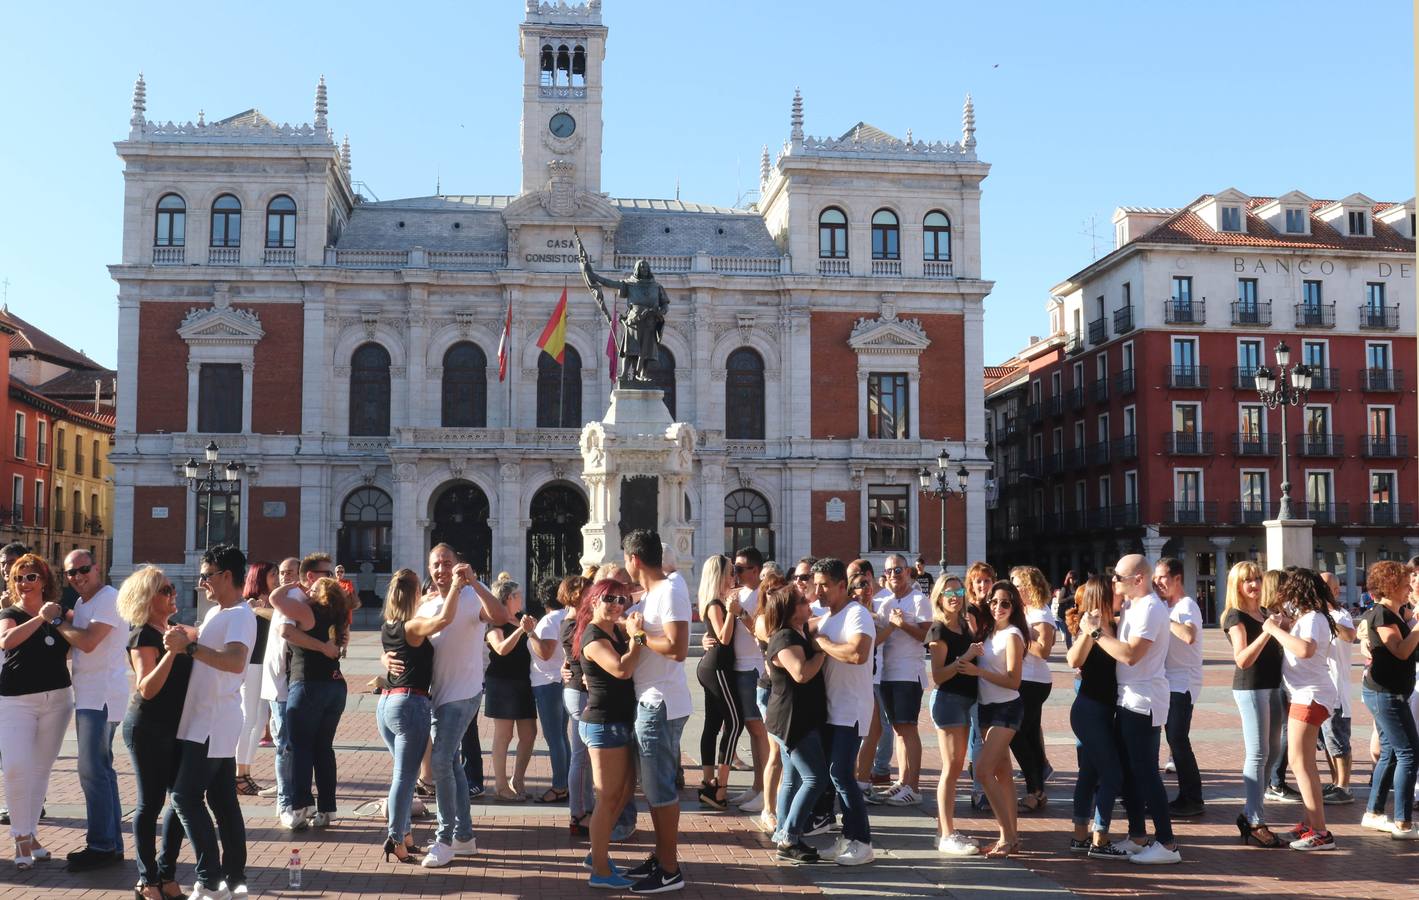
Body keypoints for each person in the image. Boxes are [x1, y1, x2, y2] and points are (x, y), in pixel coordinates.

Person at [164, 544, 257, 900]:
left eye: (207, 575)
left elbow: (234, 662)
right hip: (210, 719)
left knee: (186, 797)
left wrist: (188, 647)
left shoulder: (239, 615)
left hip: (211, 721)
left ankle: (210, 879)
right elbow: (211, 643)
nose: (203, 582)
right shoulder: (223, 612)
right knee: (221, 801)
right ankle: (233, 879)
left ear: (227, 576)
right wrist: (189, 635)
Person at [409, 545, 507, 869]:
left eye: (447, 563)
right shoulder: (425, 606)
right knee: (451, 764)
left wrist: (476, 584)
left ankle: (445, 839)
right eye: (436, 564)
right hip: (437, 696)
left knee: (439, 761)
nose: (441, 569)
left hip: (464, 694)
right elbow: (406, 641)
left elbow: (500, 616)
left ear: (457, 566)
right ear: (429, 568)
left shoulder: (470, 599)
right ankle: (465, 836)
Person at [1086, 554, 1180, 865]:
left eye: (1118, 578)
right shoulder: (1132, 606)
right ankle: (1138, 835)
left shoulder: (1151, 608)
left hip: (1144, 700)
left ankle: (1167, 843)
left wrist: (1097, 634)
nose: (1113, 582)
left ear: (1138, 579)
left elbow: (1131, 655)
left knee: (1146, 774)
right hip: (1128, 698)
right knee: (1129, 772)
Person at [620, 529, 692, 893]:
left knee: (660, 789)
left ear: (634, 559)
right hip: (651, 699)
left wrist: (639, 636)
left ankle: (669, 869)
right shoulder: (653, 593)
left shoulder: (671, 591)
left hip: (660, 702)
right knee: (653, 788)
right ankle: (660, 856)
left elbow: (679, 648)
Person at [377, 567, 461, 864]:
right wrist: (455, 589)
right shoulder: (413, 626)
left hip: (386, 705)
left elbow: (387, 652)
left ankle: (405, 834)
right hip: (410, 705)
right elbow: (445, 620)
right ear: (414, 595)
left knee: (403, 776)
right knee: (405, 776)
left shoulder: (389, 623)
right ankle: (396, 838)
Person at [118, 565, 190, 899]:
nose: (172, 593)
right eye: (165, 590)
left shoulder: (174, 628)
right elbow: (147, 688)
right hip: (146, 727)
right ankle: (147, 880)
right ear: (148, 598)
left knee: (181, 799)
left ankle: (167, 872)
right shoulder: (142, 635)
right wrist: (172, 652)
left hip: (177, 727)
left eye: (172, 588)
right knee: (150, 803)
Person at [56, 549, 129, 872]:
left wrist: (57, 620)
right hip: (90, 695)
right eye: (71, 573)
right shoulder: (84, 604)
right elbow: (76, 647)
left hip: (101, 697)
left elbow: (88, 643)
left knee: (92, 772)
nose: (77, 577)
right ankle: (110, 844)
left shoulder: (109, 598)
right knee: (102, 771)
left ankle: (101, 845)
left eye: (83, 569)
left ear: (96, 568)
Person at [0, 553, 72, 869]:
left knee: (41, 770)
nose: (24, 583)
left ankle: (30, 834)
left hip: (57, 700)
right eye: (18, 577)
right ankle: (20, 837)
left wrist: (56, 619)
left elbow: (75, 643)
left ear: (44, 580)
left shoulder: (59, 613)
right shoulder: (10, 612)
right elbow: (6, 641)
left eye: (30, 576)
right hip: (16, 701)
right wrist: (41, 619)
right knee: (16, 767)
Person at [1265, 569, 1340, 850]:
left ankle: (1320, 831)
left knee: (1300, 762)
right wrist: (1284, 627)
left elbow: (1306, 650)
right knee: (1303, 762)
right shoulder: (1310, 618)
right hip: (1305, 694)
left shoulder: (1313, 619)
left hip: (1310, 696)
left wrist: (1273, 630)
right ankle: (1310, 824)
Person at [273, 562, 352, 831]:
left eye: (314, 587)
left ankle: (301, 804)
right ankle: (327, 808)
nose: (309, 588)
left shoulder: (308, 612)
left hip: (308, 684)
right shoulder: (339, 618)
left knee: (301, 747)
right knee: (323, 748)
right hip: (335, 686)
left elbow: (275, 599)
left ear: (320, 594)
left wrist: (293, 586)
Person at [575, 578, 643, 889]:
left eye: (621, 599)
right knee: (607, 797)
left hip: (618, 722)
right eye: (609, 599)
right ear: (593, 601)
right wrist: (638, 639)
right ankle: (600, 871)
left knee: (626, 790)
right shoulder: (593, 635)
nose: (616, 604)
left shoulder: (613, 629)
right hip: (603, 724)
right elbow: (621, 669)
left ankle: (596, 853)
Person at [811, 557, 876, 866]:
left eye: (824, 585)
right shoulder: (827, 616)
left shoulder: (857, 615)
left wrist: (822, 643)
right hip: (830, 707)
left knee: (841, 774)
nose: (818, 590)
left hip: (850, 707)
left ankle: (862, 841)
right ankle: (848, 837)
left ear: (841, 585)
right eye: (816, 584)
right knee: (833, 775)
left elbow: (858, 654)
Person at [1221, 561, 1286, 847]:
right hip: (1251, 688)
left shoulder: (1263, 613)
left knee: (1272, 754)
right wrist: (1268, 632)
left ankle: (1249, 814)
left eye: (1258, 579)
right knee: (1258, 754)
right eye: (1247, 580)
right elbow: (1242, 659)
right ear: (1237, 585)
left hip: (1273, 687)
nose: (1255, 585)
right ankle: (1256, 821)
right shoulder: (1234, 617)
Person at [958, 579, 1024, 858]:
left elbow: (1014, 681)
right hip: (986, 708)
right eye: (994, 602)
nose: (998, 607)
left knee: (983, 772)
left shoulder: (1012, 635)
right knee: (1003, 775)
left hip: (1006, 709)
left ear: (1014, 606)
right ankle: (1010, 836)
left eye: (1005, 603)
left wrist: (979, 673)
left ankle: (1007, 838)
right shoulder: (988, 633)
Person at [1064, 577, 1129, 859]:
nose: (1120, 595)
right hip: (1089, 710)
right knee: (1112, 775)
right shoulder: (1091, 627)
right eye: (1115, 592)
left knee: (1089, 774)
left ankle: (1080, 837)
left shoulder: (1115, 623)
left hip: (1102, 710)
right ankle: (1099, 839)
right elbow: (1072, 661)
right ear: (1102, 597)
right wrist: (1088, 632)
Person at [763, 584, 829, 863]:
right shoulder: (785, 638)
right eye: (803, 601)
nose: (809, 601)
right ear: (791, 611)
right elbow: (801, 674)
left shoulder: (797, 631)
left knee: (792, 778)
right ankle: (789, 836)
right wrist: (823, 652)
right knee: (816, 778)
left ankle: (783, 834)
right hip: (792, 720)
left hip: (795, 717)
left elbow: (820, 621)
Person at [1359, 560, 1419, 838]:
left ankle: (1374, 812)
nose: (1410, 587)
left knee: (1393, 752)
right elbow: (1401, 651)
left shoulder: (1395, 613)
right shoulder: (1382, 615)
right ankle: (1403, 822)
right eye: (1406, 583)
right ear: (1391, 586)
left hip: (1389, 693)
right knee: (1409, 753)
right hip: (1386, 694)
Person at [925, 574, 979, 857]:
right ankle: (947, 833)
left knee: (957, 768)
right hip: (948, 701)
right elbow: (939, 676)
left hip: (966, 701)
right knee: (952, 768)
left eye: (958, 590)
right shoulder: (938, 630)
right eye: (949, 592)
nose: (955, 596)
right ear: (939, 598)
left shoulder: (966, 626)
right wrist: (967, 657)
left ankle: (942, 831)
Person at [874, 553, 930, 806]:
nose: (894, 575)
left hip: (908, 673)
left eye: (898, 570)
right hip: (887, 673)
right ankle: (903, 780)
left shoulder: (919, 600)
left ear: (908, 572)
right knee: (897, 730)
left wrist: (902, 624)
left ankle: (914, 787)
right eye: (889, 571)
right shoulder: (884, 603)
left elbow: (925, 637)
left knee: (908, 729)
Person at [1154, 557, 1204, 818]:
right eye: (1156, 577)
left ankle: (1193, 799)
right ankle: (1187, 796)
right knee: (1175, 739)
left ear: (1177, 578)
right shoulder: (1165, 606)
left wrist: (1164, 618)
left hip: (1183, 681)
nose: (1158, 582)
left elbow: (1188, 635)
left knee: (1177, 739)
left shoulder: (1187, 606)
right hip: (1167, 680)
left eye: (1162, 577)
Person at [485, 580, 539, 801]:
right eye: (517, 594)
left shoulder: (523, 618)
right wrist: (521, 632)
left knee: (529, 733)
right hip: (502, 682)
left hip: (523, 681)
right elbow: (500, 649)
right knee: (504, 735)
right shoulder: (494, 624)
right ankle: (500, 784)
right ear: (507, 598)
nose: (521, 597)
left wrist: (531, 630)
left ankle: (518, 778)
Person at [1008, 565, 1056, 812]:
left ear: (1029, 586)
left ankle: (1034, 788)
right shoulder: (1024, 610)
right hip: (1023, 679)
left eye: (1016, 584)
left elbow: (1043, 650)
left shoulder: (1040, 613)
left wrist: (1017, 634)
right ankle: (1037, 789)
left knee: (1016, 733)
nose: (1013, 588)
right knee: (1028, 734)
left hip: (1033, 681)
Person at [695, 554, 740, 810]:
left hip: (714, 665)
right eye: (730, 572)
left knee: (713, 723)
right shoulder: (715, 604)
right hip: (717, 667)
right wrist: (732, 613)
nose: (733, 576)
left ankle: (708, 781)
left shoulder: (718, 602)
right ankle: (719, 788)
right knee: (734, 722)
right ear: (719, 575)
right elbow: (723, 638)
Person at [727, 546, 769, 813]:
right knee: (752, 729)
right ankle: (756, 785)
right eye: (735, 569)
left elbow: (764, 631)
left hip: (755, 666)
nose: (737, 573)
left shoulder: (764, 595)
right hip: (738, 666)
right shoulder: (737, 593)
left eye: (741, 569)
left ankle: (766, 789)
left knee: (758, 729)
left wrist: (740, 613)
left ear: (756, 570)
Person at [558, 575, 596, 835]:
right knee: (580, 758)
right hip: (578, 692)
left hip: (578, 691)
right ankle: (577, 813)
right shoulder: (572, 624)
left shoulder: (573, 622)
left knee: (585, 758)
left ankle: (587, 807)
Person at [1261, 569, 1302, 803]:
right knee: (1282, 733)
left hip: (1283, 678)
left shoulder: (1281, 611)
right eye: (1285, 587)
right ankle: (1275, 781)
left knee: (1281, 733)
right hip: (1273, 679)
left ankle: (1275, 780)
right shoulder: (1269, 615)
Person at [234, 561, 275, 796]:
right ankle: (239, 775)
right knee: (249, 717)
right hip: (252, 665)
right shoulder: (249, 604)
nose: (277, 578)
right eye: (272, 574)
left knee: (259, 719)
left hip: (263, 664)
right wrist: (255, 608)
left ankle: (245, 772)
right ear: (259, 577)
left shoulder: (269, 602)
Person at [1316, 571, 1357, 804]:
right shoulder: (1314, 616)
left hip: (1336, 691)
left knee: (1339, 741)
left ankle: (1344, 786)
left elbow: (1350, 636)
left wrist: (1327, 616)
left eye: (1325, 587)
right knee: (1328, 742)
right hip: (1320, 691)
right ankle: (1335, 782)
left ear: (1336, 591)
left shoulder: (1341, 615)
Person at [531, 579, 572, 805]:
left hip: (547, 681)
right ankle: (566, 781)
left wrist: (531, 633)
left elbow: (545, 652)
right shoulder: (566, 616)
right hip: (559, 680)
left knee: (553, 736)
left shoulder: (548, 621)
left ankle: (559, 785)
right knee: (561, 735)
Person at [963, 561, 997, 812]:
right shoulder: (971, 611)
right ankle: (978, 791)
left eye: (987, 580)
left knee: (981, 735)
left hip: (991, 677)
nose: (983, 585)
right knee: (980, 736)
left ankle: (981, 781)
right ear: (972, 585)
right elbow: (974, 643)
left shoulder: (996, 607)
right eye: (979, 581)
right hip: (974, 679)